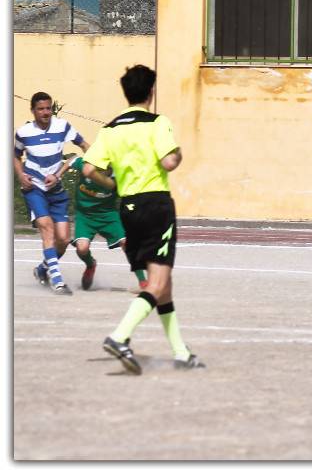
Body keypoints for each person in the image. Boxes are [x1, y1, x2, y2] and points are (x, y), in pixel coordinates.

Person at [83, 65, 204, 374]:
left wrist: (113, 184)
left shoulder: (110, 129)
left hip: (128, 209)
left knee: (164, 285)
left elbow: (88, 168)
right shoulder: (157, 123)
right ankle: (119, 336)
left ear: (127, 93)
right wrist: (178, 154)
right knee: (159, 281)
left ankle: (181, 352)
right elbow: (169, 161)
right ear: (151, 92)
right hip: (155, 206)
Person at [14, 91, 90, 295]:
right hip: (34, 188)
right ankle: (58, 281)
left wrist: (98, 162)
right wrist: (21, 175)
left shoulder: (62, 126)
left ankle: (42, 269)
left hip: (56, 189)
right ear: (33, 110)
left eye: (48, 108)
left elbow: (83, 145)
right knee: (46, 227)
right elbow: (15, 155)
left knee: (64, 240)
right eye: (41, 109)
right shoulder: (23, 132)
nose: (45, 112)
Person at [66, 154, 148, 291]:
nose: (101, 170)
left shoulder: (120, 176)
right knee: (82, 248)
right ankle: (90, 264)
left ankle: (143, 282)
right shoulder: (86, 166)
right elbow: (71, 160)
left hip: (108, 215)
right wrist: (56, 175)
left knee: (126, 243)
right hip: (85, 216)